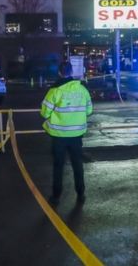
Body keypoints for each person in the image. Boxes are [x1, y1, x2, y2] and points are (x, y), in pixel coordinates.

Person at [40, 61, 93, 206]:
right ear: (72, 72)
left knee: (58, 166)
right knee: (77, 164)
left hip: (59, 135)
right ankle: (81, 193)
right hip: (77, 135)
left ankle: (56, 196)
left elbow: (45, 112)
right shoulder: (82, 89)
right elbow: (89, 111)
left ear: (59, 72)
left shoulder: (55, 91)